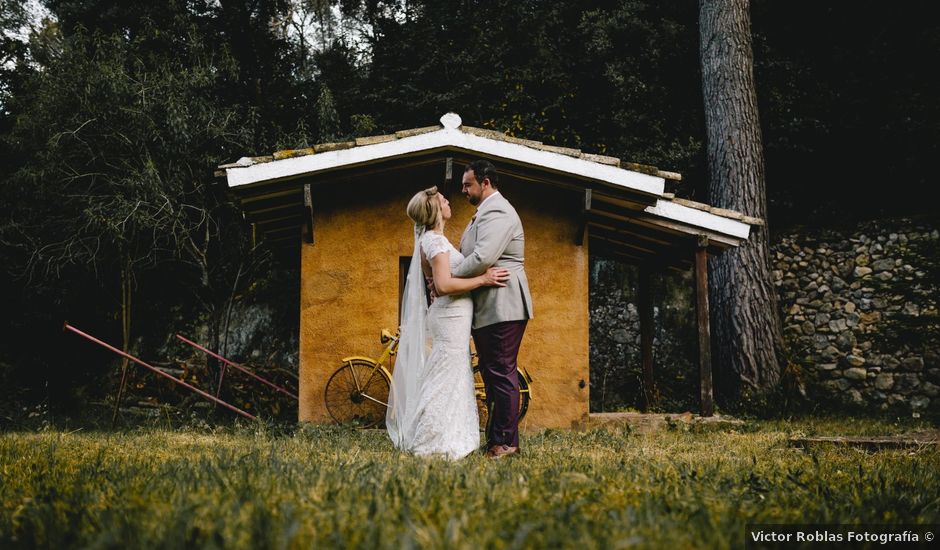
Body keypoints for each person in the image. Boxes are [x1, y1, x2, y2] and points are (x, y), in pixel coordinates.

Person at [386, 186, 510, 459]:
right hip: (450, 315)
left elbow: (439, 281)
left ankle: (447, 433)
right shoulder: (436, 242)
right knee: (446, 373)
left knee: (448, 372)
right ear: (435, 210)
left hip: (453, 315)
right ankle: (433, 438)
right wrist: (484, 279)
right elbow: (442, 285)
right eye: (443, 200)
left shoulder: (433, 240)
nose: (448, 202)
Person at [453, 160, 533, 459]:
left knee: (500, 372)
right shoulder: (482, 214)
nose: (463, 190)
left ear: (485, 182)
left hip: (504, 303)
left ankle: (507, 443)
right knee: (492, 372)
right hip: (490, 305)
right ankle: (496, 440)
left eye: (467, 184)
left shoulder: (498, 210)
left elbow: (482, 256)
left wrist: (447, 278)